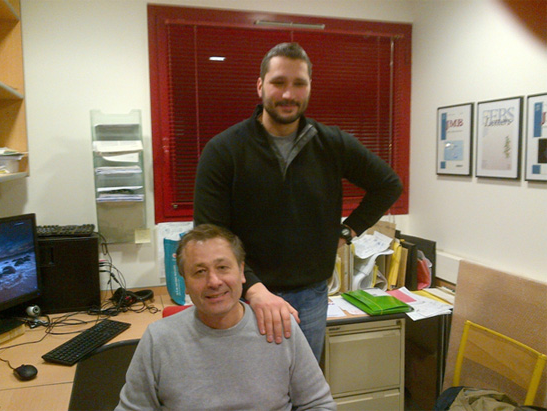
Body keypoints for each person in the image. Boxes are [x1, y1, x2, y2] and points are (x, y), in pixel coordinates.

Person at [194, 42, 403, 360]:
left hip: (310, 297)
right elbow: (210, 234)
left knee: (302, 384)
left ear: (309, 88)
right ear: (260, 85)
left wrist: (347, 232)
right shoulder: (224, 150)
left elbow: (388, 185)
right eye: (278, 82)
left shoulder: (331, 144)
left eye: (299, 83)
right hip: (242, 297)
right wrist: (254, 288)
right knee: (244, 383)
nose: (288, 94)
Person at [115, 224, 336, 411]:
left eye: (222, 267)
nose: (214, 281)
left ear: (242, 272)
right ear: (185, 282)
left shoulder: (280, 326)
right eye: (200, 272)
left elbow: (318, 404)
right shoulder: (159, 339)